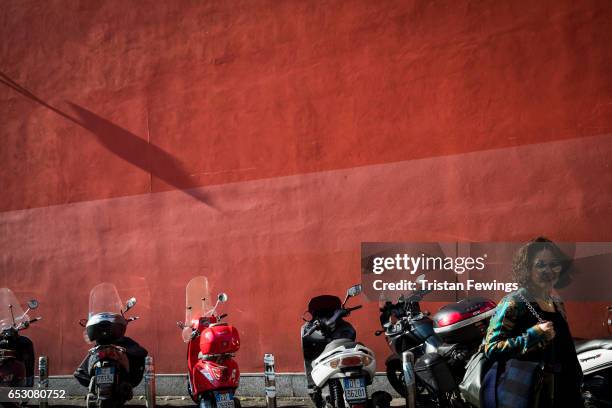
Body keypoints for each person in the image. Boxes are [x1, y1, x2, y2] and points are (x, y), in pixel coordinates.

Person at [482, 237, 583, 407]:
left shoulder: (556, 302)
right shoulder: (514, 302)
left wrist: (577, 378)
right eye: (541, 265)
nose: (549, 270)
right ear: (527, 269)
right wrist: (534, 334)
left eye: (554, 264)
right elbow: (491, 349)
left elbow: (565, 348)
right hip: (529, 392)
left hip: (564, 390)